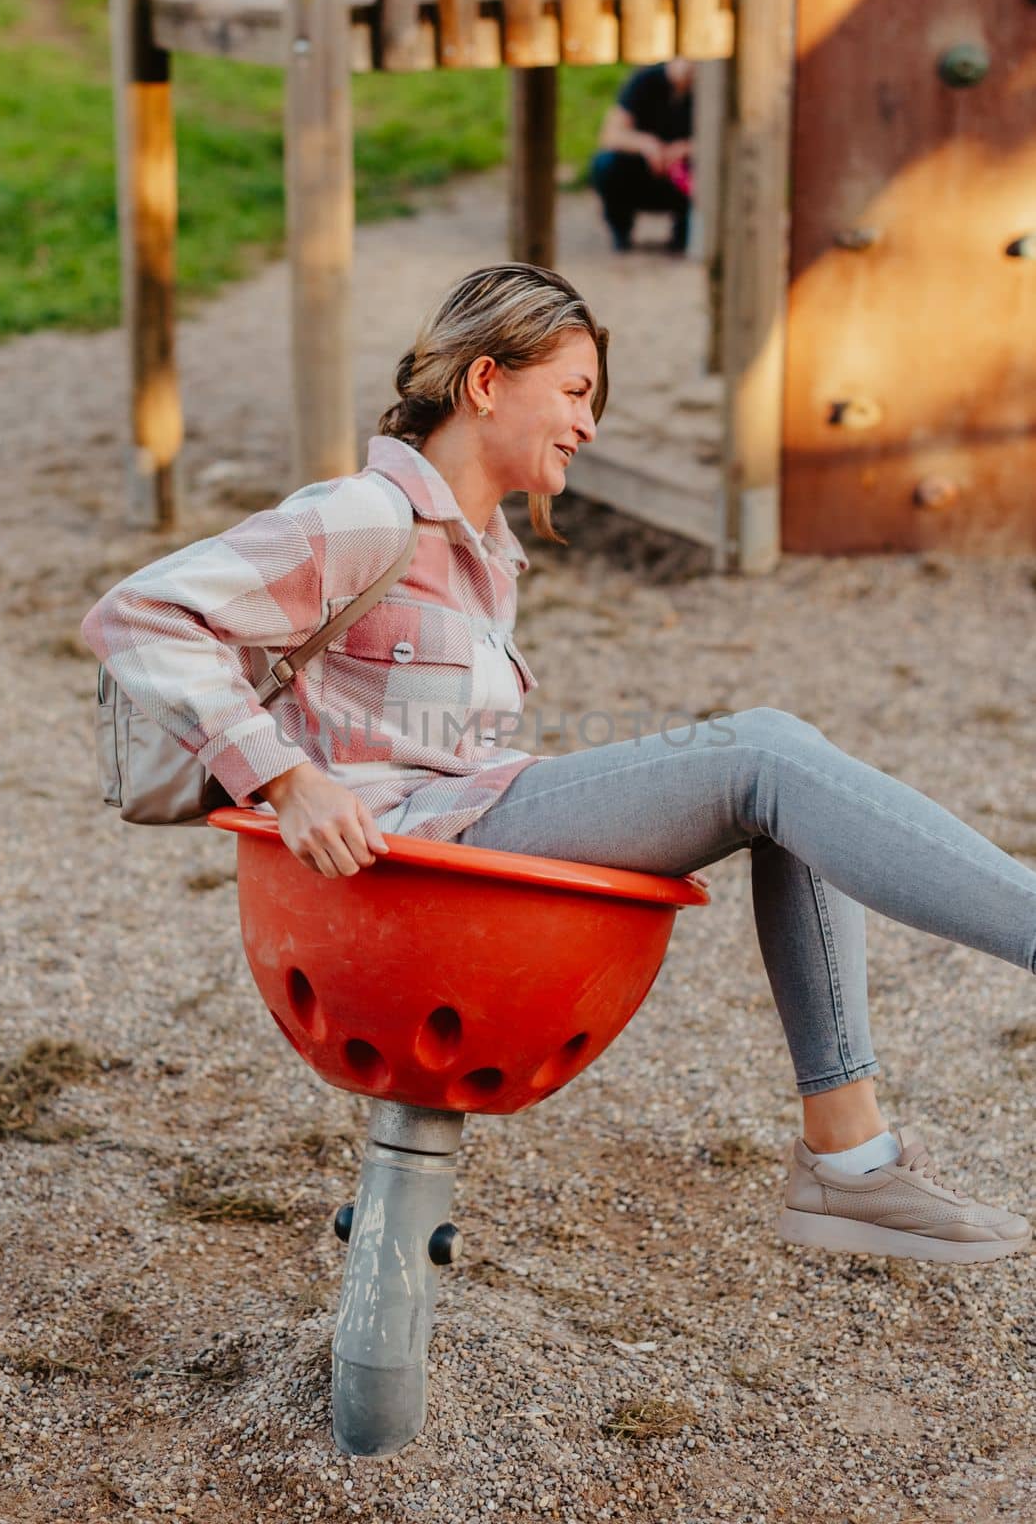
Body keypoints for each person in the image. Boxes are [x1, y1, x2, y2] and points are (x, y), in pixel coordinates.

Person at [82, 262, 1034, 1267]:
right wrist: (284, 775)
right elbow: (134, 613)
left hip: (450, 847)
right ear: (487, 381)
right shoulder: (365, 517)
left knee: (787, 785)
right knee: (762, 749)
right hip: (404, 874)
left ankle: (850, 1161)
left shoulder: (485, 556)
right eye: (575, 392)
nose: (588, 424)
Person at [590, 57, 695, 253]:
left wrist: (686, 148)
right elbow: (610, 134)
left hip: (686, 178)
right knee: (606, 163)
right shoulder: (646, 81)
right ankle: (621, 229)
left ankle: (685, 234)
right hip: (644, 172)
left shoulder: (710, 92)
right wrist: (647, 145)